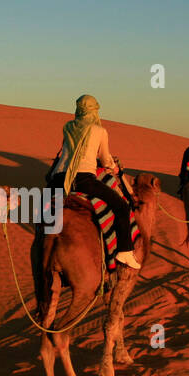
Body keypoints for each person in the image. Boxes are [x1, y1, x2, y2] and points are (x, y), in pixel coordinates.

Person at [46, 94, 141, 270]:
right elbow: (105, 160)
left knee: (46, 208)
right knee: (121, 206)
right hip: (82, 179)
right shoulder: (99, 131)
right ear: (95, 111)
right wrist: (114, 168)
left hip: (58, 180)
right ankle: (125, 251)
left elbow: (69, 153)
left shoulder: (68, 127)